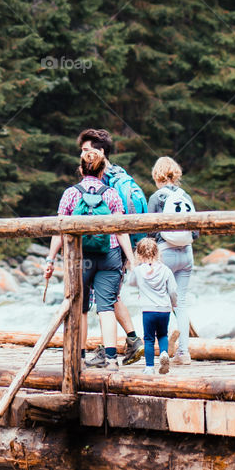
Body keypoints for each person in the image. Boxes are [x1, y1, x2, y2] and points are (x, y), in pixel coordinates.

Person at [44, 142, 136, 369]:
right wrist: (131, 260)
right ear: (103, 170)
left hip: (79, 258)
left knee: (81, 308)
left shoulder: (70, 194)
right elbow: (121, 231)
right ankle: (112, 359)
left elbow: (59, 230)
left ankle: (81, 357)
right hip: (110, 255)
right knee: (106, 307)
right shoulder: (112, 195)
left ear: (82, 169)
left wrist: (50, 259)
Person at [77, 128, 146, 365]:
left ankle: (127, 342)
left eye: (86, 150)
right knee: (108, 299)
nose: (83, 154)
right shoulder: (120, 176)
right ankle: (126, 341)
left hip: (110, 249)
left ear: (100, 152)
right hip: (119, 248)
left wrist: (129, 255)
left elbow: (119, 220)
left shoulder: (107, 181)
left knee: (106, 300)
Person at [148, 156, 196, 366]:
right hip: (186, 253)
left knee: (159, 302)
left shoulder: (156, 197)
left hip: (164, 252)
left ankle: (164, 352)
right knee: (181, 304)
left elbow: (149, 230)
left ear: (157, 175)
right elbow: (195, 230)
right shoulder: (185, 195)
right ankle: (184, 353)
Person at [129, 237, 177, 374]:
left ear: (138, 254)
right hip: (164, 310)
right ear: (157, 253)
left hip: (148, 310)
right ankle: (163, 353)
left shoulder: (138, 271)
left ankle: (149, 367)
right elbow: (173, 290)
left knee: (149, 338)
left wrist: (134, 270)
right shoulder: (166, 270)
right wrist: (174, 303)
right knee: (162, 335)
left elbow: (131, 283)